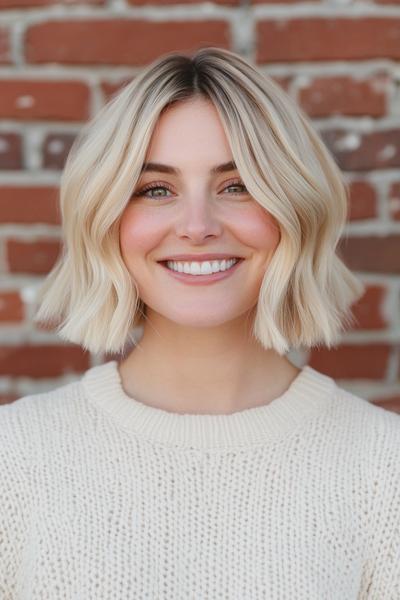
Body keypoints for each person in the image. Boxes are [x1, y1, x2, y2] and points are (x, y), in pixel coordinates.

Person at [1, 47, 399, 599]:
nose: (197, 226)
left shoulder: (385, 469)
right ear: (105, 217)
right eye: (156, 189)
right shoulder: (15, 458)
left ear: (295, 209)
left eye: (236, 185)